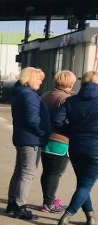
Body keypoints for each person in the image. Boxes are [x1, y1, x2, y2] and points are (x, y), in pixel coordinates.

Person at [54, 70, 98, 225]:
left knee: (82, 183)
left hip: (76, 147)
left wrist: (71, 132)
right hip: (95, 150)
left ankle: (90, 216)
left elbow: (57, 120)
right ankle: (67, 215)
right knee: (85, 185)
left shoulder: (71, 101)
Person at [5, 67, 50, 221]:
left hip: (22, 137)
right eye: (38, 79)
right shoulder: (29, 96)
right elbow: (33, 119)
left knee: (19, 171)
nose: (41, 82)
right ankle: (20, 206)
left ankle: (12, 203)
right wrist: (43, 132)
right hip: (30, 139)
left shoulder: (20, 93)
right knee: (28, 172)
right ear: (29, 78)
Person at [39, 70, 76, 213]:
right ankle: (49, 203)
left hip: (45, 138)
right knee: (55, 173)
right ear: (70, 83)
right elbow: (67, 120)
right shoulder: (66, 99)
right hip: (60, 140)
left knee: (47, 171)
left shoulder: (46, 95)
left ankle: (47, 200)